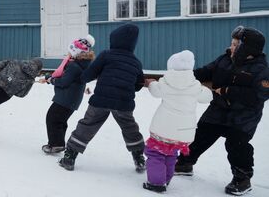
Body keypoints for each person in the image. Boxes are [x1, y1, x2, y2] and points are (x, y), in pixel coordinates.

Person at [174, 26, 269, 196]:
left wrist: (228, 91)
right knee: (201, 134)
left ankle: (242, 179)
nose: (231, 47)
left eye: (235, 45)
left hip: (244, 116)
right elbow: (205, 72)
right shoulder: (224, 59)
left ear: (247, 49)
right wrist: (183, 77)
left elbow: (260, 94)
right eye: (232, 44)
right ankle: (184, 163)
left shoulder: (261, 69)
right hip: (219, 109)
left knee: (236, 144)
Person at [59, 23, 146, 172]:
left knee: (88, 124)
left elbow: (88, 74)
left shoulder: (106, 55)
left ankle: (70, 156)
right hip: (123, 103)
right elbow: (138, 84)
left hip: (101, 100)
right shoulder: (136, 62)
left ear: (115, 40)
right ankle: (138, 157)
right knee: (129, 127)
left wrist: (83, 76)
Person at [142, 50, 212, 193]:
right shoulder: (195, 85)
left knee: (156, 153)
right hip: (183, 132)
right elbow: (207, 97)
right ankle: (165, 179)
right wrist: (205, 90)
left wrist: (151, 83)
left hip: (163, 128)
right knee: (171, 154)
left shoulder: (166, 81)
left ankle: (156, 183)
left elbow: (155, 91)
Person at [39, 36, 95, 154]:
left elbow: (63, 82)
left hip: (65, 98)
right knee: (60, 120)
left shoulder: (73, 66)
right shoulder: (83, 64)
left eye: (71, 50)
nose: (68, 52)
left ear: (76, 52)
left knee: (52, 118)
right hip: (71, 99)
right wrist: (50, 77)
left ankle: (55, 144)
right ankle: (58, 143)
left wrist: (51, 80)